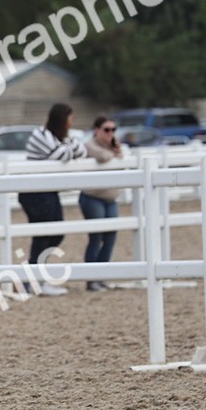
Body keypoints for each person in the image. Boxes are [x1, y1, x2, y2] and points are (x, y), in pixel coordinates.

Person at [18, 103, 86, 296]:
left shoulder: (58, 137)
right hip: (34, 192)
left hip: (48, 190)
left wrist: (67, 145)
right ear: (62, 119)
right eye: (70, 118)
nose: (72, 122)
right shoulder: (40, 134)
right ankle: (33, 281)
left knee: (56, 233)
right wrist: (68, 146)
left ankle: (36, 278)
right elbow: (61, 155)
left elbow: (80, 151)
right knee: (43, 235)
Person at [79, 115, 124, 291]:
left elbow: (119, 159)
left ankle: (102, 275)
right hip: (93, 197)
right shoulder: (89, 144)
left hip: (110, 198)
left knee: (110, 238)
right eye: (106, 130)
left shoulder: (113, 145)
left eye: (113, 130)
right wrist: (114, 151)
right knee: (96, 237)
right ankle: (91, 278)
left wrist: (115, 151)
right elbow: (102, 156)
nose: (110, 133)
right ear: (96, 130)